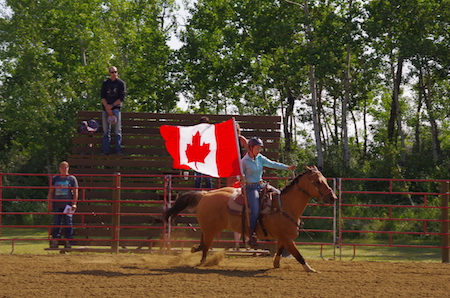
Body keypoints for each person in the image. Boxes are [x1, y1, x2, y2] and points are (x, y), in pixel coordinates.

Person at [241, 137, 296, 247]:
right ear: (250, 148)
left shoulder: (260, 158)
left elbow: (272, 164)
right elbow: (239, 175)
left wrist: (287, 168)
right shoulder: (244, 161)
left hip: (261, 184)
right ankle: (252, 234)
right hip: (251, 188)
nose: (258, 150)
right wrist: (241, 177)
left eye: (259, 148)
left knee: (280, 196)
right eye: (257, 148)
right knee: (255, 210)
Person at [47, 161, 79, 248]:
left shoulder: (72, 179)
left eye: (66, 167)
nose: (64, 169)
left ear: (68, 168)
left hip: (68, 205)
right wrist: (49, 202)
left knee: (68, 222)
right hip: (57, 204)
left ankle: (69, 241)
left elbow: (76, 191)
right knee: (57, 223)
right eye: (62, 168)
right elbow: (51, 191)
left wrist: (74, 203)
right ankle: (55, 241)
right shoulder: (55, 178)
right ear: (59, 169)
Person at [101, 66, 126, 155]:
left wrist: (111, 106)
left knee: (117, 131)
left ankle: (118, 150)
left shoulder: (121, 83)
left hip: (116, 109)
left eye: (115, 72)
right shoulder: (105, 83)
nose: (114, 74)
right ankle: (105, 150)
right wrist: (107, 107)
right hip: (105, 109)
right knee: (106, 131)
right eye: (112, 72)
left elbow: (121, 98)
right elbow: (102, 97)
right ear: (109, 73)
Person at [194, 116, 213, 189]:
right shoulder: (197, 132)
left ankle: (209, 193)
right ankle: (196, 193)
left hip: (207, 156)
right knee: (198, 177)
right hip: (198, 156)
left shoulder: (210, 133)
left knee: (208, 177)